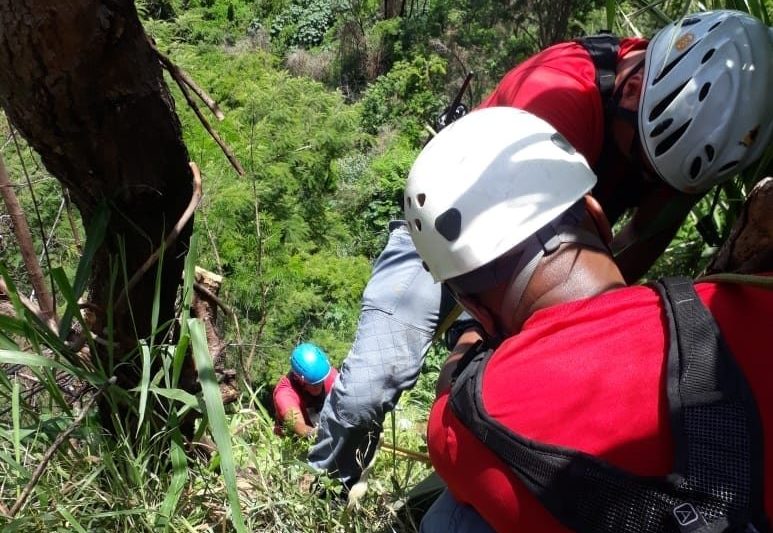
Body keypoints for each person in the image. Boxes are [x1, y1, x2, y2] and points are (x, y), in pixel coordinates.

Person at [309, 9, 773, 490]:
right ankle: (324, 481)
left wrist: (579, 331)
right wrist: (478, 343)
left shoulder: (684, 151)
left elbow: (640, 241)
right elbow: (496, 245)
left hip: (554, 262)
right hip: (450, 235)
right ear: (633, 92)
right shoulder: (556, 94)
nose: (650, 183)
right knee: (369, 387)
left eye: (666, 181)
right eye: (645, 164)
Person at [405, 106, 773, 532]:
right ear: (596, 214)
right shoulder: (748, 299)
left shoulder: (469, 422)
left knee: (452, 518)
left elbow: (447, 393)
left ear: (479, 309)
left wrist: (468, 337)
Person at [273, 343, 338, 439]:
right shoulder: (285, 393)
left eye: (320, 382)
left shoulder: (328, 375)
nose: (318, 386)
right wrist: (320, 435)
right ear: (298, 378)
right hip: (295, 438)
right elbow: (298, 425)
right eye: (313, 384)